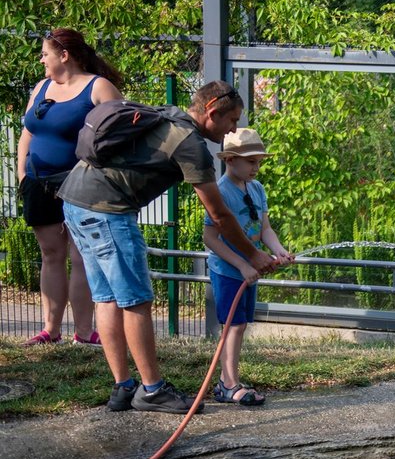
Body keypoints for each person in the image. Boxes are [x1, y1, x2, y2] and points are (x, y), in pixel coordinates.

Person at [58, 80, 278, 414]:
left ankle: (123, 387)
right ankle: (152, 390)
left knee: (107, 297)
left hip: (75, 201)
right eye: (232, 120)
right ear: (212, 112)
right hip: (108, 210)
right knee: (136, 300)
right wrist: (253, 254)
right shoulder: (190, 143)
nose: (233, 129)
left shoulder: (170, 115)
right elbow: (219, 215)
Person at [17, 28, 123, 347]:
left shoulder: (98, 87)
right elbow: (27, 133)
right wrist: (22, 174)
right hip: (38, 182)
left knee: (81, 256)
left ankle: (84, 332)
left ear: (64, 56)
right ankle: (50, 330)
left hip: (81, 184)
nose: (41, 59)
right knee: (51, 254)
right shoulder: (42, 87)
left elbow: (122, 132)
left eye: (45, 54)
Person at [202, 128, 294, 406]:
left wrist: (278, 250)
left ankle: (227, 382)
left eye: (259, 162)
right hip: (229, 270)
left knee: (240, 326)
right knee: (234, 326)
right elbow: (210, 238)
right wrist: (243, 264)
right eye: (251, 161)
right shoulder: (220, 192)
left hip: (249, 270)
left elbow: (264, 228)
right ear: (230, 160)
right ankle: (229, 384)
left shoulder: (256, 188)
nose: (256, 167)